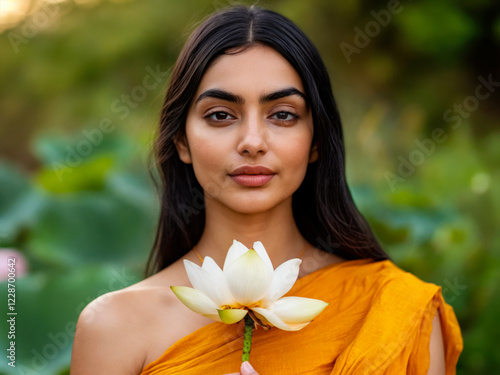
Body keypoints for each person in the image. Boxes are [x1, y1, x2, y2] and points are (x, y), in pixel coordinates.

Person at [70, 5, 462, 375]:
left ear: (316, 140)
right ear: (182, 141)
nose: (253, 141)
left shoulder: (396, 309)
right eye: (221, 115)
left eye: (283, 115)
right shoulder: (114, 327)